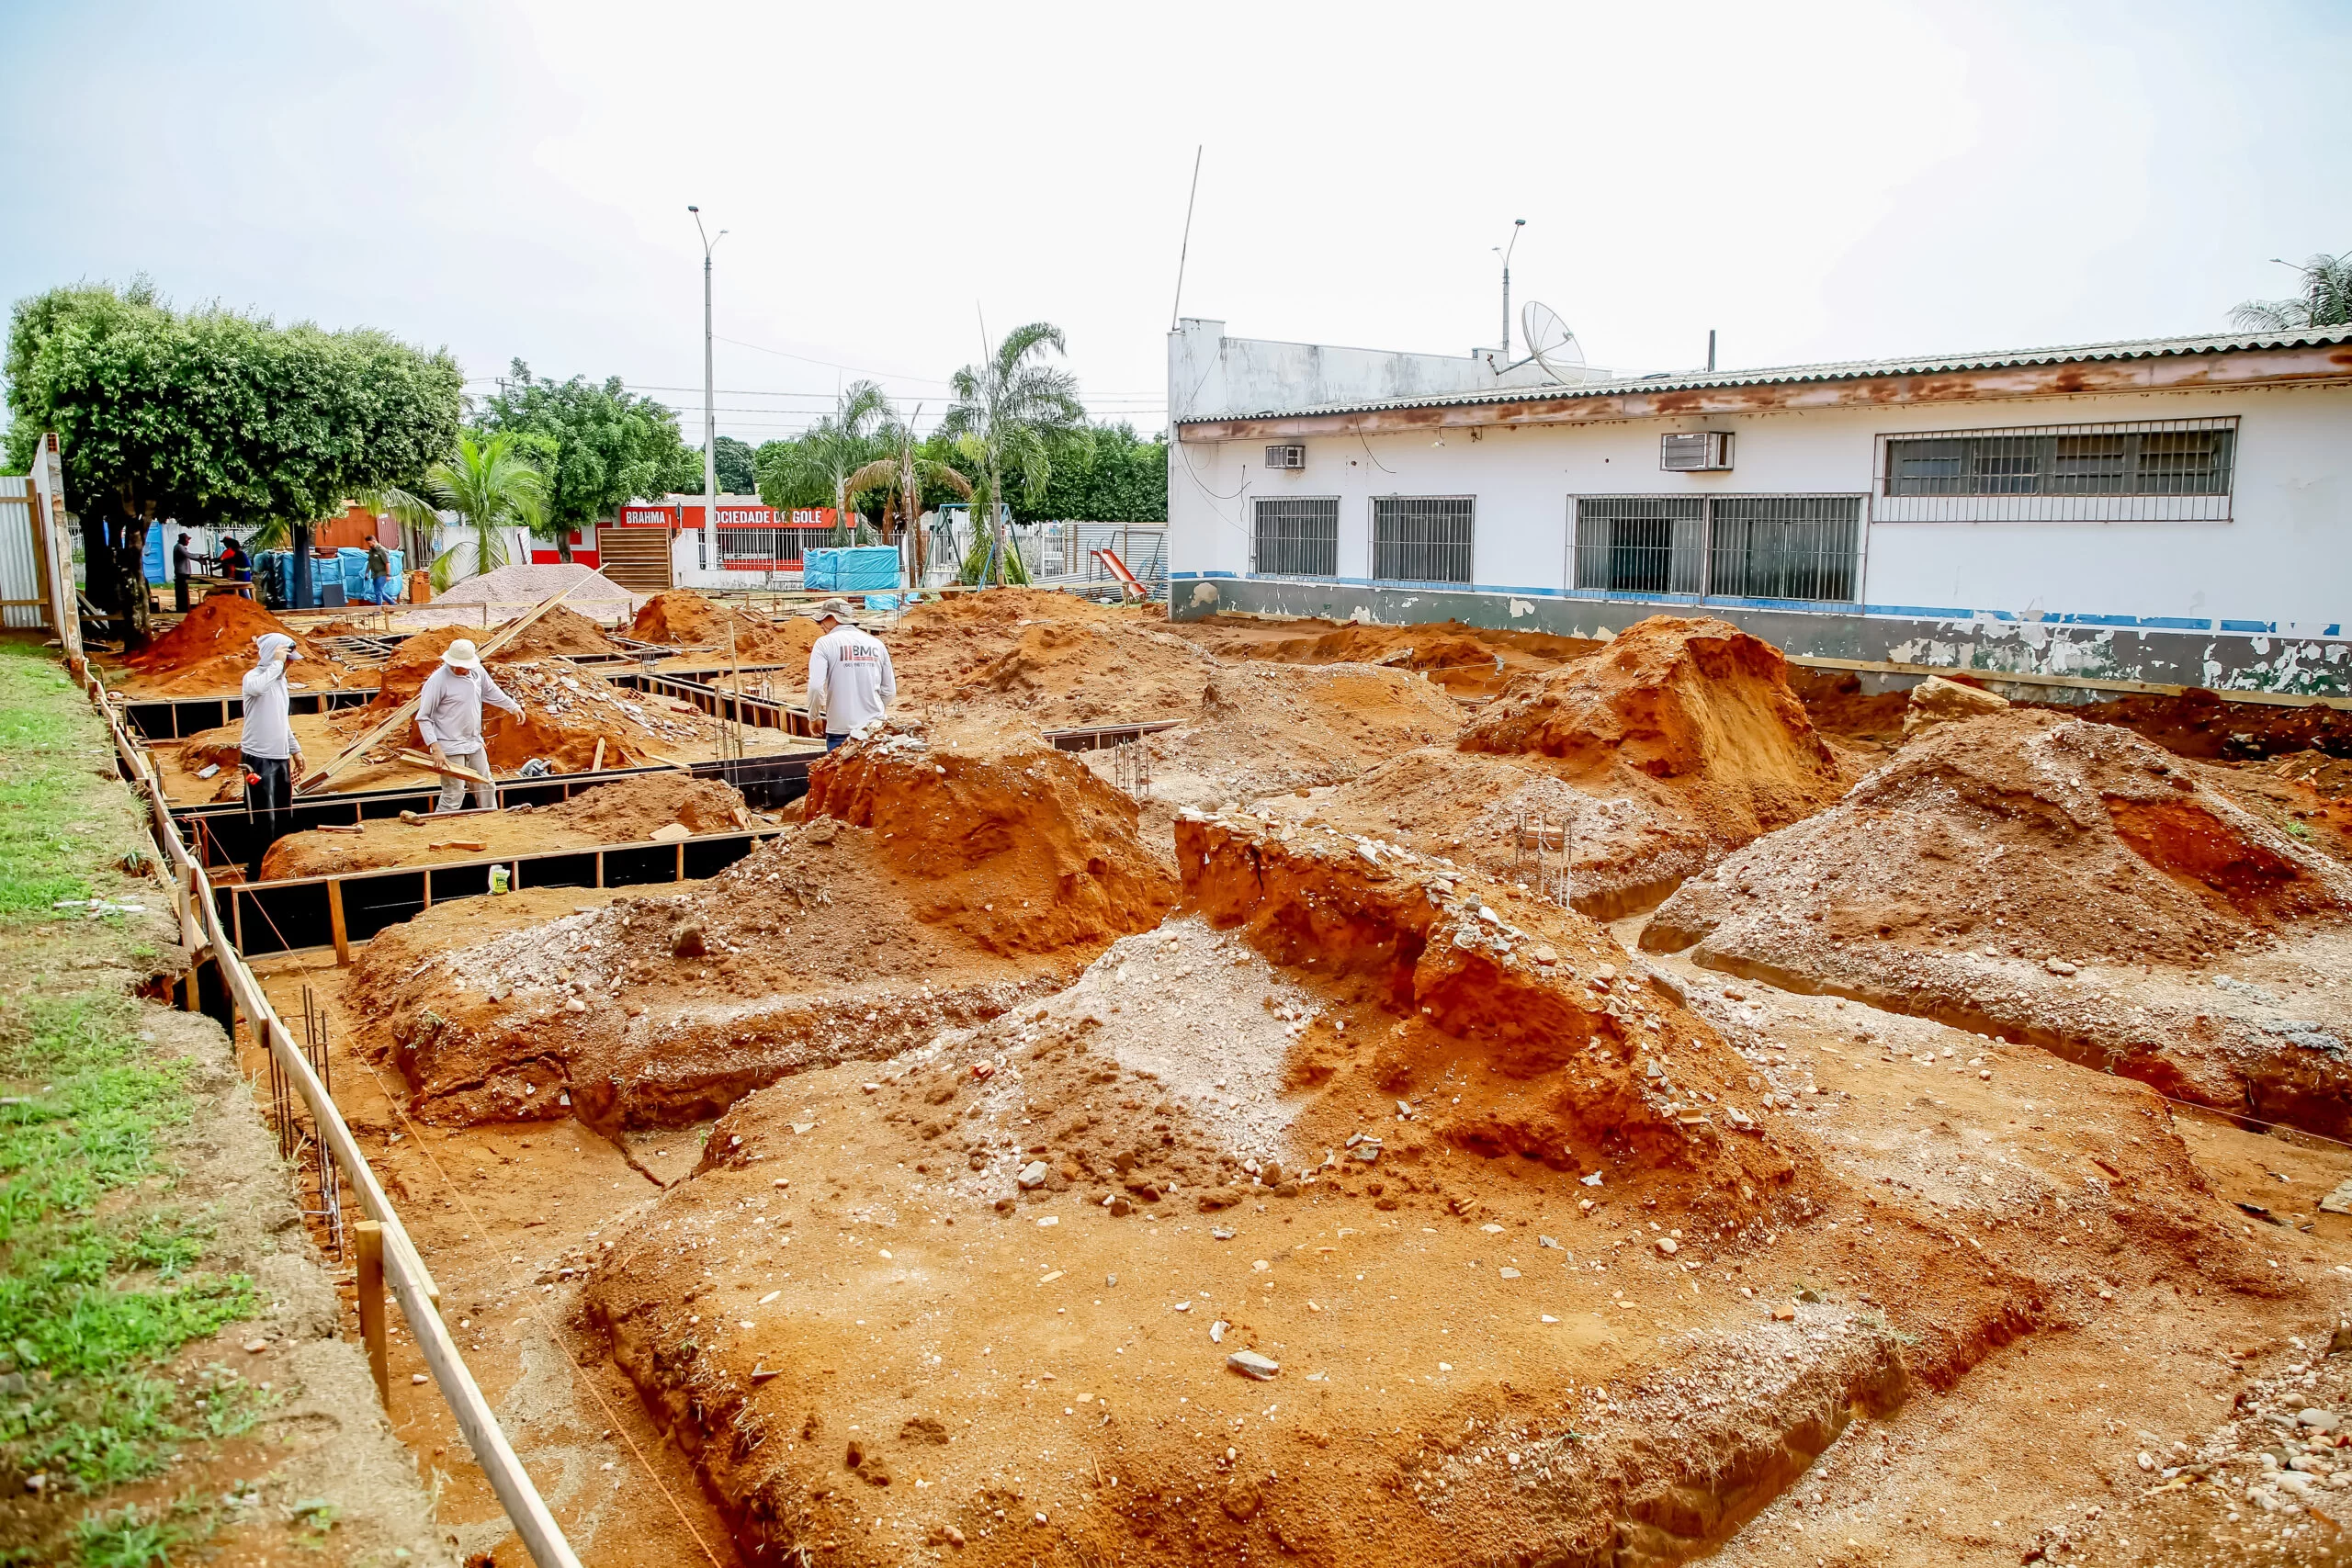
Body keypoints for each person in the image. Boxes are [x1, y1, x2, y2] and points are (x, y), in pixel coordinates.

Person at [415, 638, 524, 812]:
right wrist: (436, 749)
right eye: (457, 665)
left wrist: (512, 706)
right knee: (454, 792)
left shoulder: (477, 672)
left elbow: (490, 691)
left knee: (485, 785)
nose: (461, 669)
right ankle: (442, 828)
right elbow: (424, 717)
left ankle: (490, 821)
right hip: (449, 745)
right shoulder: (438, 681)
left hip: (473, 742)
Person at [240, 632, 305, 884]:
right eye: (287, 659)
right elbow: (257, 688)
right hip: (258, 758)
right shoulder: (254, 678)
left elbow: (282, 720)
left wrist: (294, 749)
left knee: (282, 816)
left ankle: (276, 869)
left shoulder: (280, 683)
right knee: (262, 819)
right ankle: (257, 873)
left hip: (279, 758)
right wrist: (276, 662)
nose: (290, 664)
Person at [805, 598, 894, 751]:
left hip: (840, 730)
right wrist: (871, 711)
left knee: (840, 775)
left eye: (822, 621)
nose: (822, 626)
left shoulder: (824, 643)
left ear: (831, 618)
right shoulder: (876, 644)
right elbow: (889, 691)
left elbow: (815, 687)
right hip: (874, 729)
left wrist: (814, 717)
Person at [171, 531, 197, 614]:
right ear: (183, 540)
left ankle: (184, 608)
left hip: (184, 573)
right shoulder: (179, 547)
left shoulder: (181, 547)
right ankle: (182, 609)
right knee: (182, 592)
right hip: (181, 573)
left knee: (184, 591)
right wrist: (199, 556)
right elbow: (188, 555)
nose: (188, 542)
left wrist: (199, 558)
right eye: (187, 540)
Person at [365, 538, 391, 605]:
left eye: (369, 543)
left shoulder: (382, 550)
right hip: (375, 574)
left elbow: (387, 563)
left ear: (374, 541)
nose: (368, 545)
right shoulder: (371, 551)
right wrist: (367, 572)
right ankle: (393, 604)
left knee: (378, 592)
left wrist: (388, 575)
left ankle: (378, 610)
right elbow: (370, 562)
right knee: (379, 591)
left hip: (382, 574)